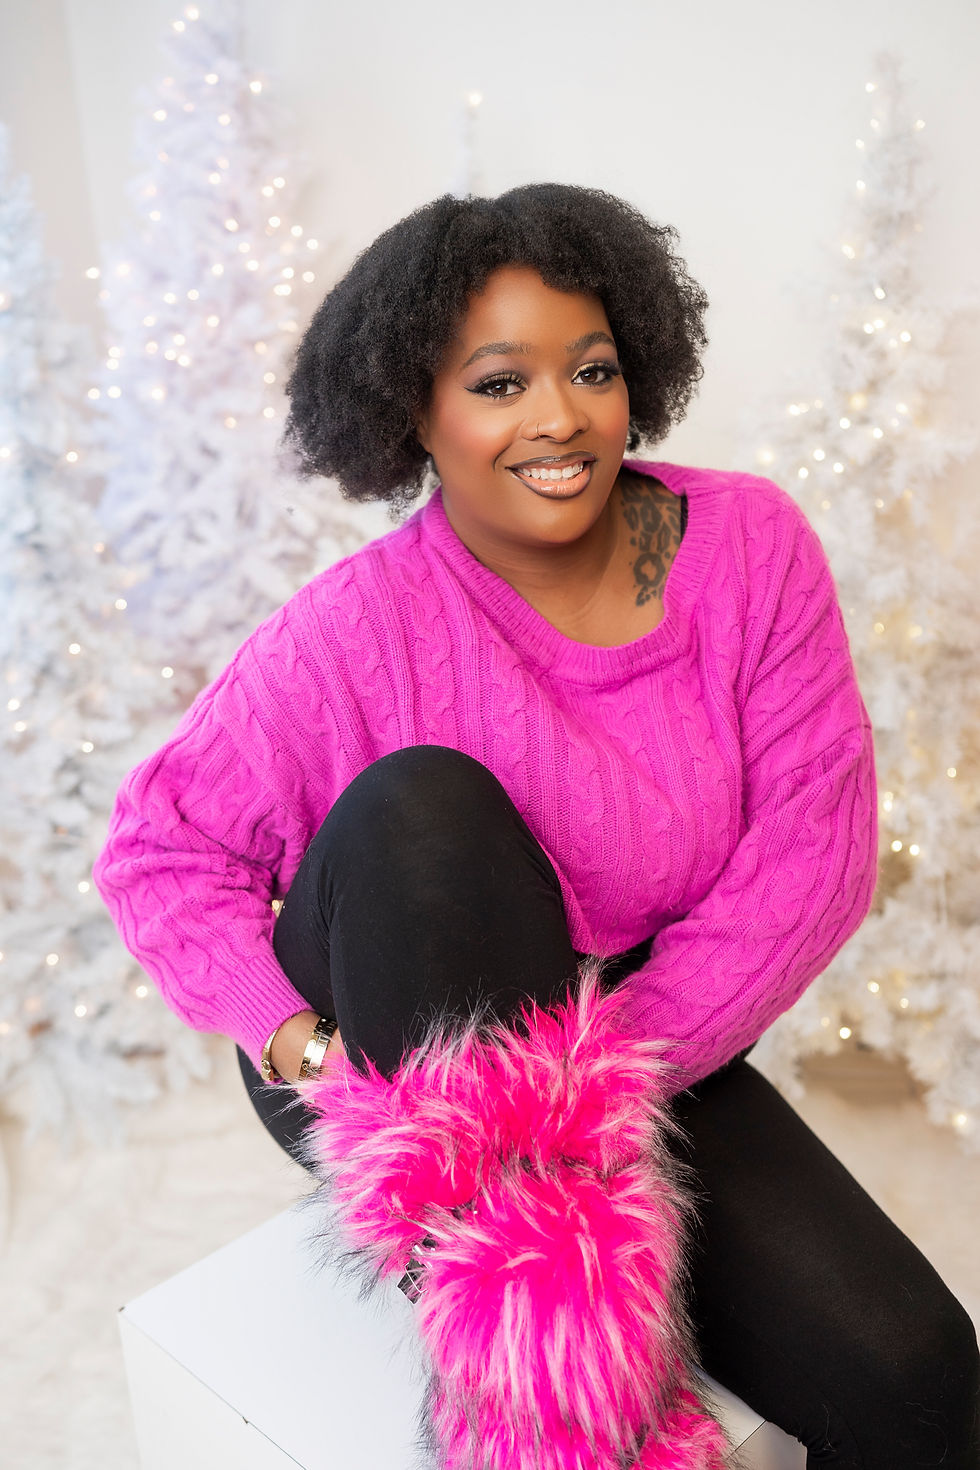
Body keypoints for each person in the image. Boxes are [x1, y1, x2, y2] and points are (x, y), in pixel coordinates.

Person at [94, 183, 980, 1469]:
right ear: (415, 410)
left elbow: (813, 856)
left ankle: (545, 1258)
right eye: (499, 383)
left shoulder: (749, 551)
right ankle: (540, 1395)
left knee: (918, 1376)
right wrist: (302, 1046)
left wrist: (593, 1094)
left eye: (591, 369)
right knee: (423, 805)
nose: (558, 416)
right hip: (392, 1045)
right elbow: (160, 852)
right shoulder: (352, 629)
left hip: (626, 1033)